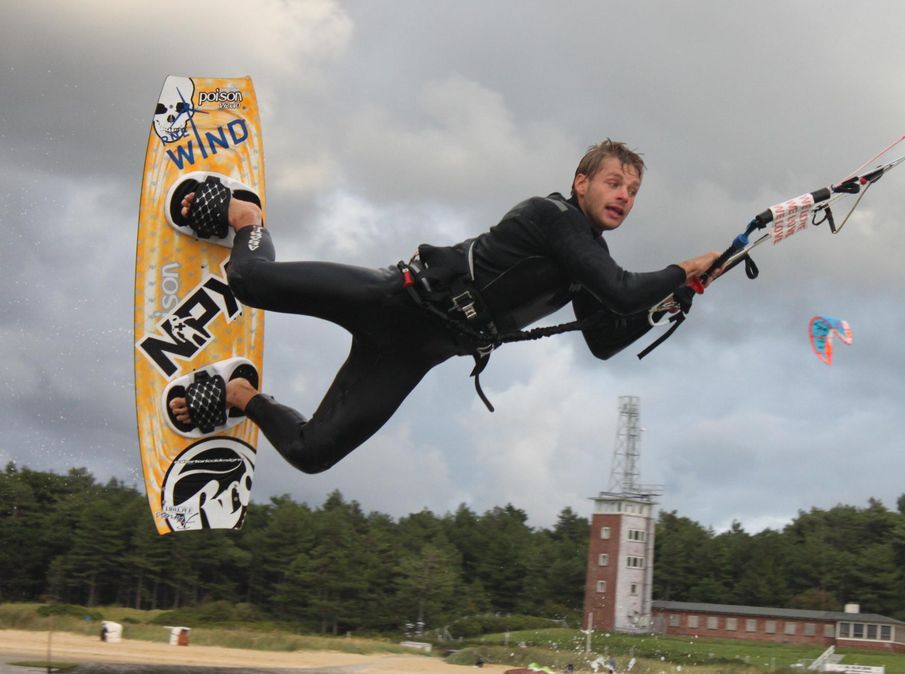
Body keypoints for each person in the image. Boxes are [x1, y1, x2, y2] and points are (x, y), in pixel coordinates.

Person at [168, 140, 719, 474]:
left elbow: (603, 339)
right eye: (614, 182)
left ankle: (242, 395)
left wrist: (674, 299)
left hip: (417, 351)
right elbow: (622, 290)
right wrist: (685, 268)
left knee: (314, 453)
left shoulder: (588, 262)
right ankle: (246, 217)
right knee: (248, 280)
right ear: (581, 183)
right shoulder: (554, 219)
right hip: (395, 298)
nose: (624, 196)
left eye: (633, 191)